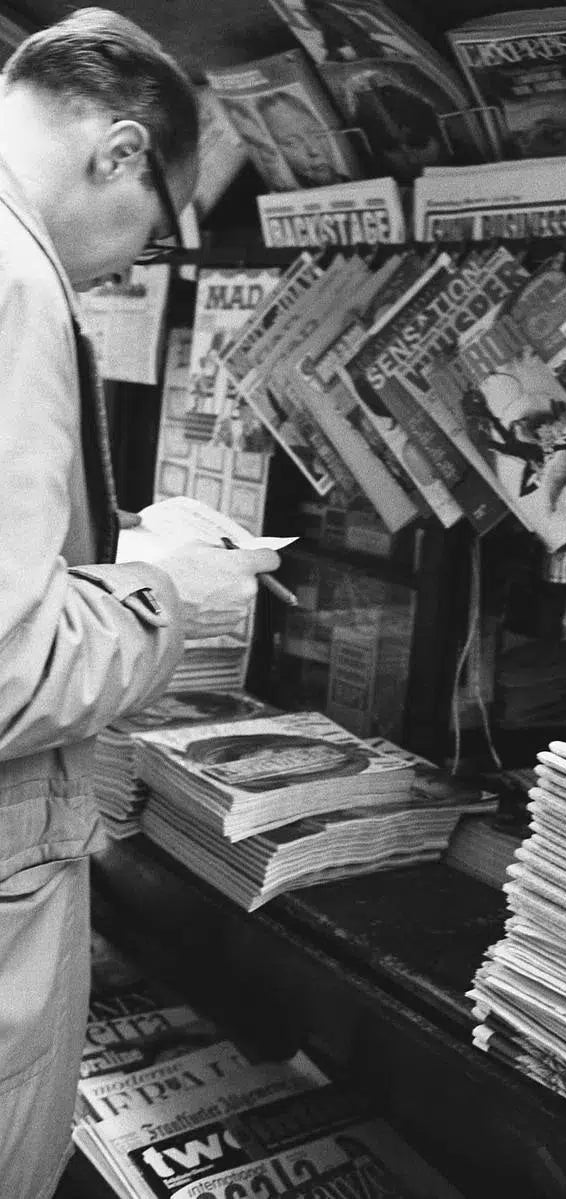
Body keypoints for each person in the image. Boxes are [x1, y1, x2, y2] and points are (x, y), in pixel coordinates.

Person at [0, 10, 281, 1197]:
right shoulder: (17, 281)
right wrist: (177, 593)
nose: (136, 266)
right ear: (119, 151)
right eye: (159, 229)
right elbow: (9, 674)